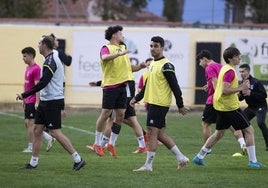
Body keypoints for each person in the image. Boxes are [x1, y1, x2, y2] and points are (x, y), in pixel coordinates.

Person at [16, 35, 85, 171]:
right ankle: (33, 163)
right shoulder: (49, 58)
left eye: (40, 42)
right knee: (37, 130)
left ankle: (78, 159)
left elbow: (43, 82)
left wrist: (24, 94)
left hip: (52, 102)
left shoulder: (51, 60)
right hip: (46, 101)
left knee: (55, 132)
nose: (38, 44)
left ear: (45, 46)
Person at [193, 47, 264, 168]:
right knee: (249, 130)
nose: (239, 58)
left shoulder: (225, 68)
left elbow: (220, 85)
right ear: (231, 58)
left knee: (218, 134)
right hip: (229, 107)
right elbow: (225, 90)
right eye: (237, 56)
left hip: (221, 106)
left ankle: (199, 157)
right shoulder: (229, 71)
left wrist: (239, 89)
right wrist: (241, 88)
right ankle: (253, 161)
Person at [130, 36, 189, 172]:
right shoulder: (153, 64)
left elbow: (175, 86)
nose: (153, 48)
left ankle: (148, 165)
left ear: (162, 48)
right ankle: (181, 158)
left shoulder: (167, 65)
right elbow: (147, 85)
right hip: (152, 103)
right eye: (151, 46)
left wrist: (180, 105)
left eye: (156, 46)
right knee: (160, 135)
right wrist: (136, 98)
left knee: (151, 133)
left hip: (159, 104)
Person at [91, 25, 135, 158]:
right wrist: (118, 54)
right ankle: (97, 144)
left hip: (123, 86)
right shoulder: (106, 48)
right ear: (114, 35)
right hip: (110, 87)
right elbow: (104, 58)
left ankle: (111, 144)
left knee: (120, 115)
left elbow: (127, 68)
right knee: (105, 115)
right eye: (120, 33)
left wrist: (140, 66)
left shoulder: (122, 47)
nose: (123, 36)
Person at [196, 50, 247, 154]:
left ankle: (207, 150)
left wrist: (217, 94)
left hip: (214, 100)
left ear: (204, 59)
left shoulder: (209, 67)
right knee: (231, 124)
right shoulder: (221, 66)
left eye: (200, 61)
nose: (199, 64)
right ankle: (242, 143)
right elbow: (221, 82)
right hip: (227, 102)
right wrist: (208, 86)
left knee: (206, 124)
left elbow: (216, 84)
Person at [87, 79, 148, 154]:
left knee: (111, 120)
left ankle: (101, 145)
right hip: (127, 95)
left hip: (122, 95)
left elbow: (115, 80)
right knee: (130, 121)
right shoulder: (128, 74)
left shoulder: (124, 72)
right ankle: (143, 144)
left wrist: (98, 83)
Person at [20, 47, 55, 153]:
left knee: (31, 124)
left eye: (25, 56)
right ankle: (49, 137)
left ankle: (31, 147)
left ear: (31, 56)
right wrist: (24, 99)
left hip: (33, 100)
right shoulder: (27, 68)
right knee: (28, 123)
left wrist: (37, 101)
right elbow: (26, 85)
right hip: (28, 100)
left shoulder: (36, 69)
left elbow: (38, 87)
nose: (23, 58)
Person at [238, 63, 268, 151]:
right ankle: (244, 146)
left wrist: (251, 93)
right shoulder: (242, 83)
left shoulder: (256, 82)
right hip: (251, 107)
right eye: (240, 72)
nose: (241, 73)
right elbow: (241, 98)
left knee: (261, 123)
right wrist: (240, 94)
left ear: (247, 71)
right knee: (241, 123)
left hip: (260, 106)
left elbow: (264, 95)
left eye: (243, 71)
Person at [50, 33, 72, 118]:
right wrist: (69, 56)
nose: (57, 41)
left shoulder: (48, 53)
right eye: (55, 40)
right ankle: (59, 111)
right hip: (58, 81)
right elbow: (68, 62)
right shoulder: (58, 52)